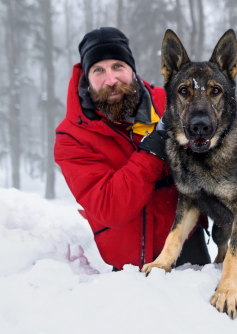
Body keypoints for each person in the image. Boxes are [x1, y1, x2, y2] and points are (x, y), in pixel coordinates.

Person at [54, 27, 210, 272]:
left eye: (118, 66)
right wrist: (154, 149)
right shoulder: (72, 137)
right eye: (99, 70)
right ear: (86, 77)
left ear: (132, 70)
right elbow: (110, 208)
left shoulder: (170, 101)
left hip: (186, 244)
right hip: (129, 267)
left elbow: (225, 124)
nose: (111, 80)